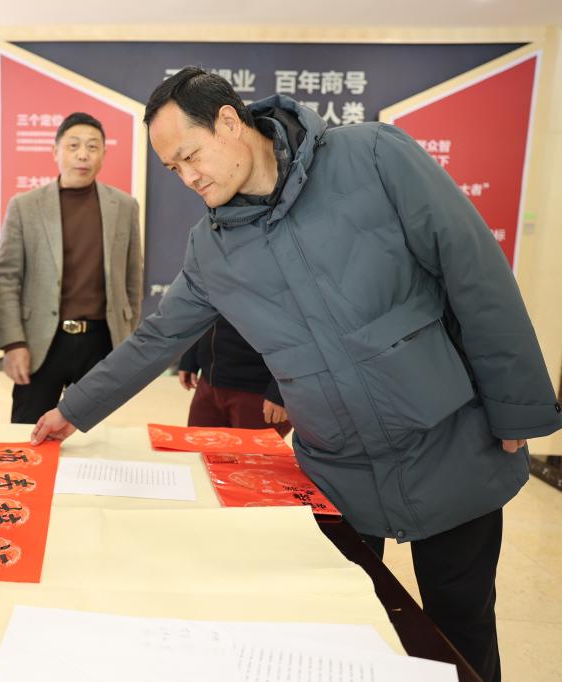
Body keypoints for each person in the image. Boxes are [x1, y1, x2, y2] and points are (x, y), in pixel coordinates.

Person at [31, 67, 562, 682]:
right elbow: (157, 338)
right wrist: (74, 409)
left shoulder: (373, 158)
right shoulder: (212, 247)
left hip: (448, 444)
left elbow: (474, 271)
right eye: (173, 168)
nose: (188, 178)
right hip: (338, 468)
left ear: (229, 122)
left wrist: (518, 403)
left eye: (191, 156)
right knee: (349, 635)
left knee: (460, 634)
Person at [0, 112, 143, 424]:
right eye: (73, 145)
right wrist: (13, 343)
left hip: (102, 341)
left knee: (94, 434)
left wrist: (127, 339)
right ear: (55, 151)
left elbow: (132, 278)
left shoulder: (124, 206)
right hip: (41, 342)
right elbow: (7, 279)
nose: (83, 154)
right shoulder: (25, 206)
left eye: (92, 146)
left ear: (103, 153)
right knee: (28, 431)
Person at [179, 315, 290, 435]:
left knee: (252, 448)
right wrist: (190, 354)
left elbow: (301, 332)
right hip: (209, 383)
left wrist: (281, 391)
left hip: (259, 391)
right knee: (199, 443)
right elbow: (204, 309)